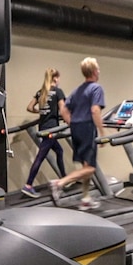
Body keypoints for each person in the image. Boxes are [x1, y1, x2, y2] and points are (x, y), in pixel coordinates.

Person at [50, 57, 107, 210]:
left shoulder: (77, 90)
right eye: (98, 69)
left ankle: (85, 198)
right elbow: (95, 110)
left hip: (76, 128)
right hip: (88, 127)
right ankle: (59, 183)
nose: (99, 71)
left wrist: (73, 123)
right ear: (94, 72)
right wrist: (102, 133)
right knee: (90, 168)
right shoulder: (96, 88)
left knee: (85, 165)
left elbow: (63, 110)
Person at [21, 68, 67, 198]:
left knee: (59, 151)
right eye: (58, 78)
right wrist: (70, 121)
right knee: (40, 157)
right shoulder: (58, 92)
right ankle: (28, 185)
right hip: (51, 129)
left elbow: (29, 107)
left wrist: (40, 112)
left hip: (43, 128)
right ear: (55, 78)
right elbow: (63, 110)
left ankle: (64, 178)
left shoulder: (40, 92)